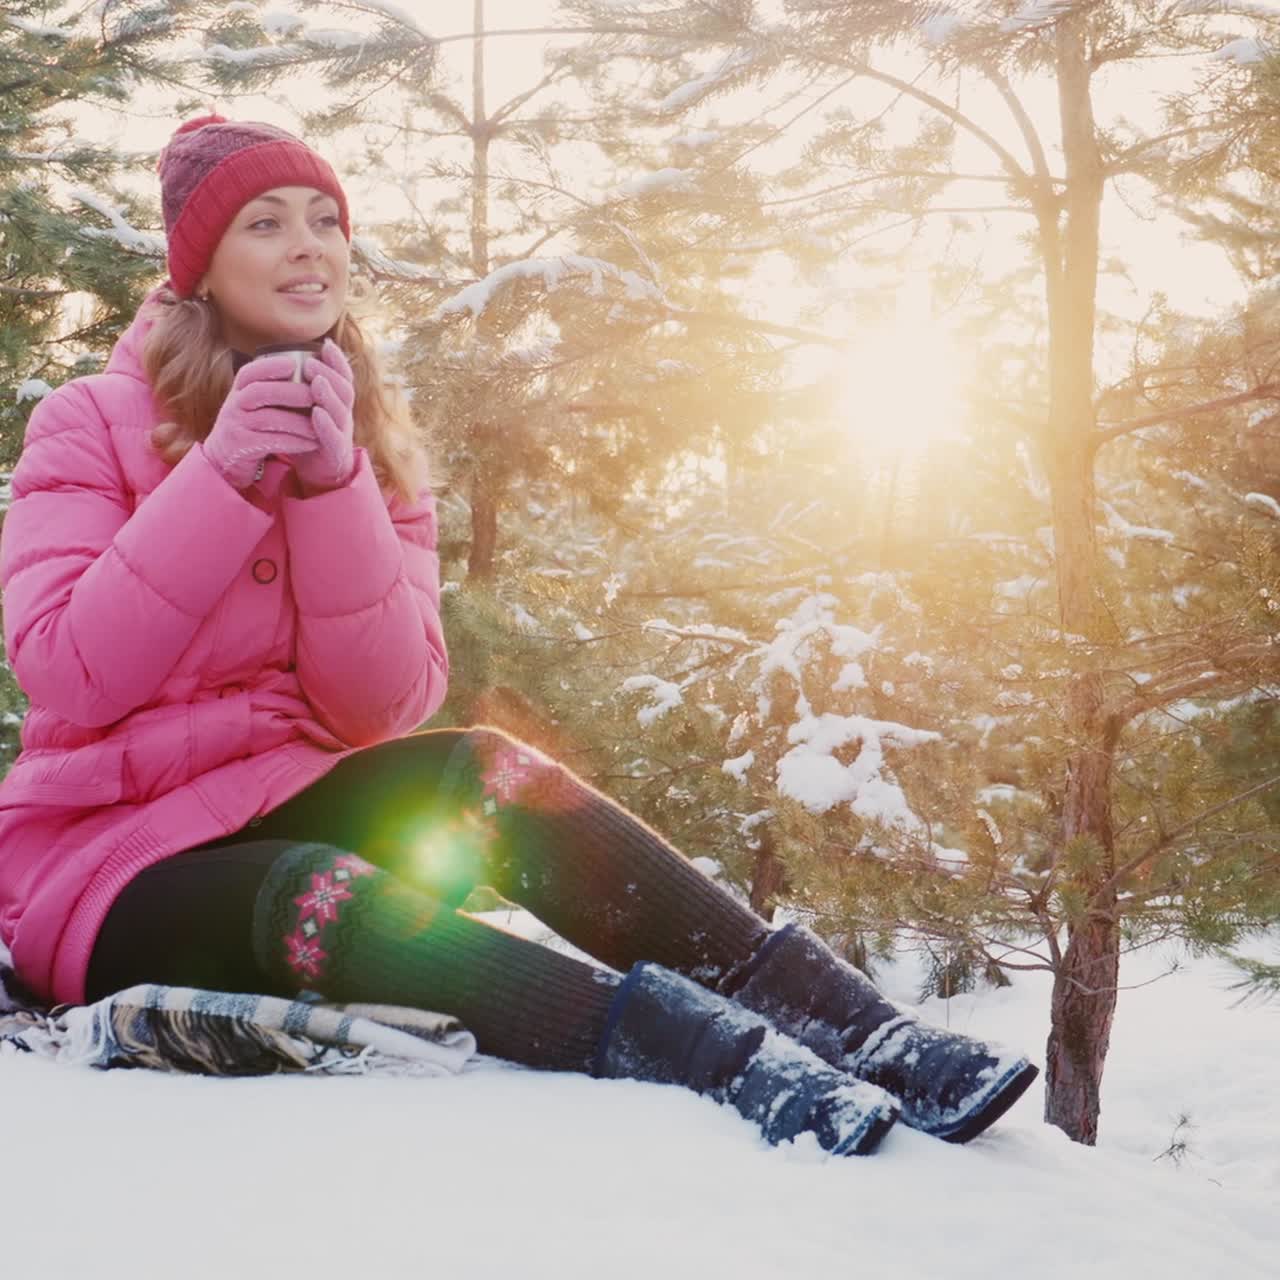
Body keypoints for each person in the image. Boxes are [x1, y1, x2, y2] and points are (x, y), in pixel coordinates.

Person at [0, 116, 1038, 1156]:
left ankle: (866, 1030)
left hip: (282, 792)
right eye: (264, 223)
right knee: (310, 880)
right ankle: (715, 1056)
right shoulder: (92, 421)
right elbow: (68, 669)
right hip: (105, 868)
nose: (307, 244)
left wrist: (332, 486)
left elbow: (381, 706)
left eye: (325, 219)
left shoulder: (365, 442)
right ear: (200, 268)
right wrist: (218, 475)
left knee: (491, 769)